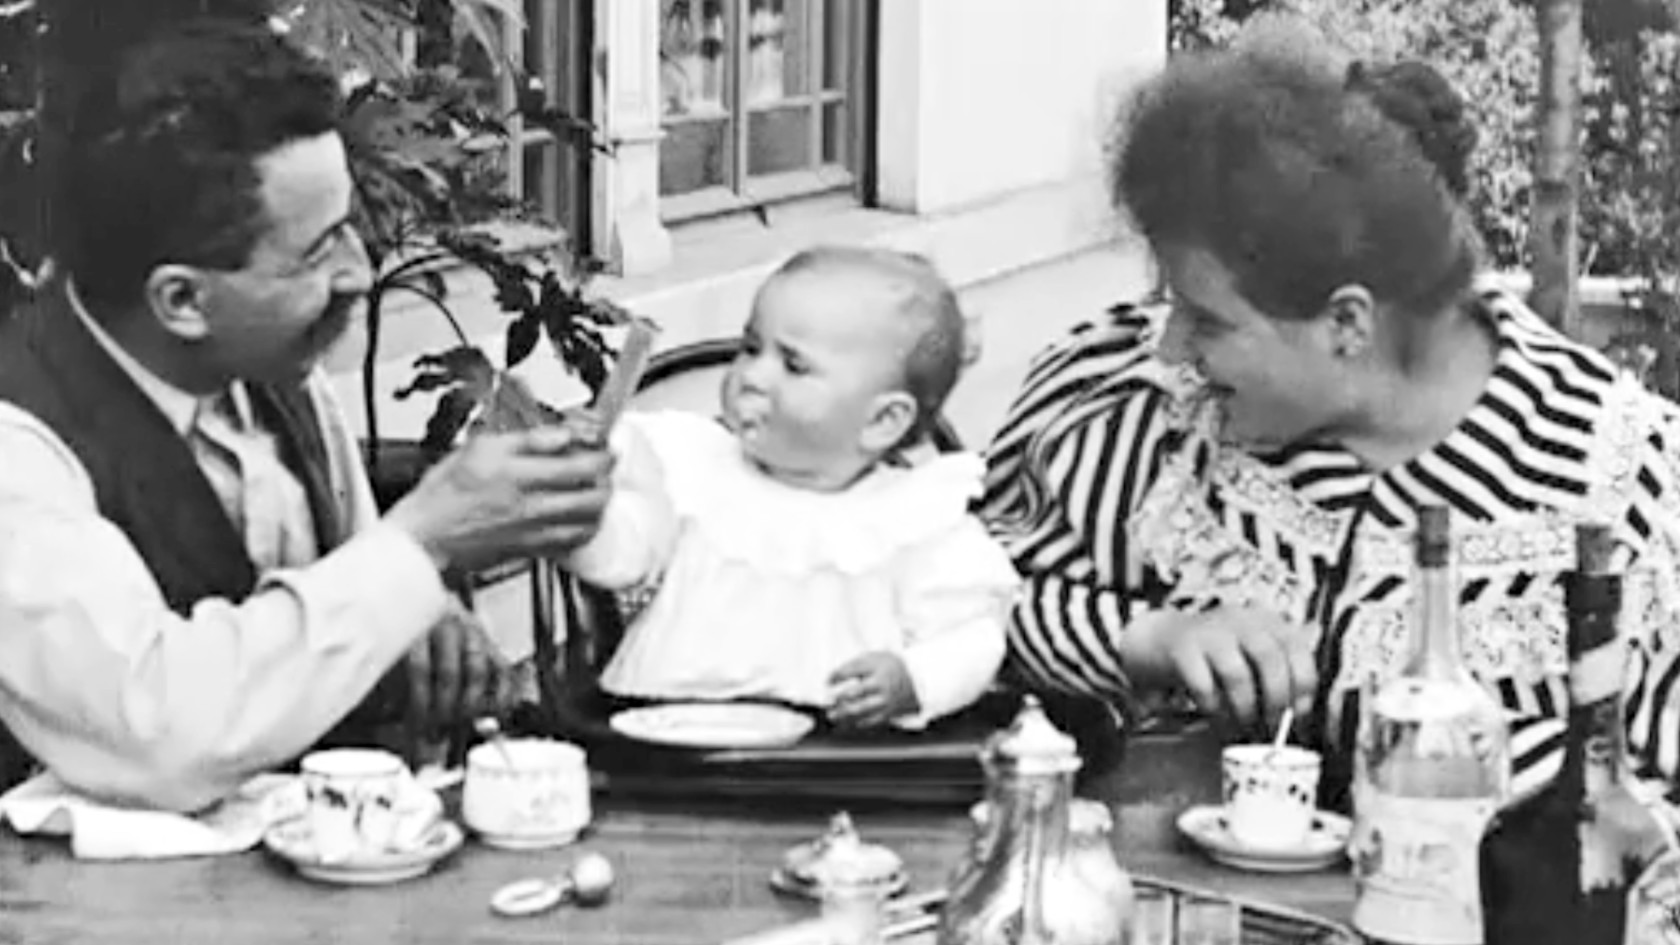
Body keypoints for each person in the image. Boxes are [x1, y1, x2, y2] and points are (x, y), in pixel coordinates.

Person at [980, 23, 1680, 808]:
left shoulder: (1627, 501)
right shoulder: (1134, 410)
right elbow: (950, 612)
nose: (1172, 347)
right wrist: (1150, 638)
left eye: (1207, 320)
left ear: (1346, 323)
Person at [0, 18, 614, 812]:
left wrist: (418, 621)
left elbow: (357, 585)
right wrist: (422, 542)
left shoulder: (279, 374)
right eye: (320, 249)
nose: (360, 272)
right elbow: (158, 732)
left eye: (350, 224)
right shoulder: (19, 445)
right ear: (182, 300)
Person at [564, 247, 1018, 730]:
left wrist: (916, 680)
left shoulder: (914, 521)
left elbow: (973, 637)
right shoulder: (693, 470)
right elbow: (620, 560)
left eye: (794, 366)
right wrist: (581, 506)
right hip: (673, 729)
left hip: (836, 747)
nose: (752, 377)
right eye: (750, 348)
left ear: (883, 420)